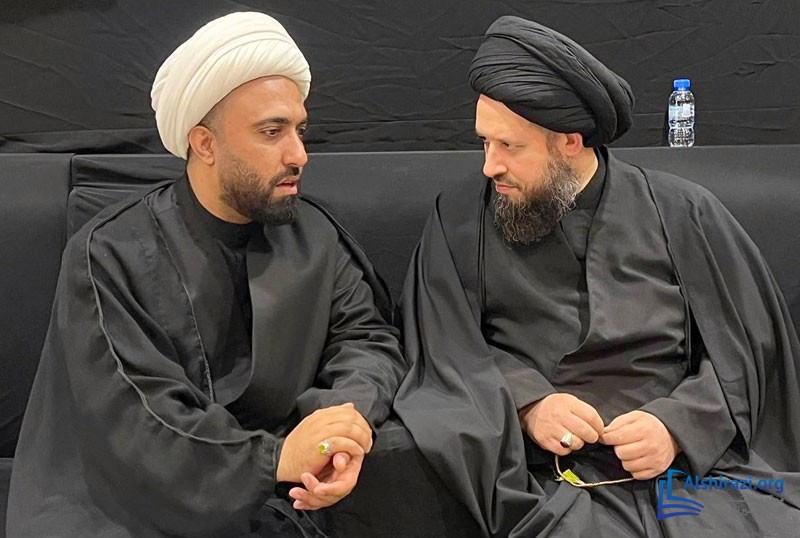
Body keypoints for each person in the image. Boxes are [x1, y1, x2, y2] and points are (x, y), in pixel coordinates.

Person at [394, 15, 800, 538]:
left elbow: (747, 352)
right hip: (533, 470)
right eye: (484, 143)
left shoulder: (683, 212)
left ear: (569, 141)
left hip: (688, 469)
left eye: (509, 146)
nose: (489, 166)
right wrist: (528, 403)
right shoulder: (459, 220)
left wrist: (679, 425)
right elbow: (441, 345)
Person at [6, 12, 405, 538]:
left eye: (300, 130)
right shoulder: (110, 253)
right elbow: (139, 424)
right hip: (129, 510)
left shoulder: (315, 236)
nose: (299, 154)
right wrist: (277, 458)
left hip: (285, 499)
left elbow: (367, 340)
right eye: (272, 132)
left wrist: (337, 429)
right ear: (205, 144)